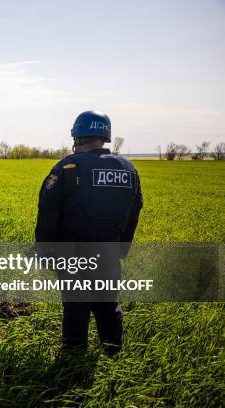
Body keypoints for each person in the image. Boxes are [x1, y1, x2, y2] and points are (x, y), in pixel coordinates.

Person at [35, 111, 143, 355]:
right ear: (104, 135)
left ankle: (73, 364)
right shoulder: (129, 169)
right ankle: (113, 357)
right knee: (108, 307)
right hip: (108, 255)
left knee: (76, 309)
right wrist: (122, 248)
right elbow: (134, 212)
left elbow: (48, 212)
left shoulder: (67, 167)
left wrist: (45, 251)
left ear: (77, 135)